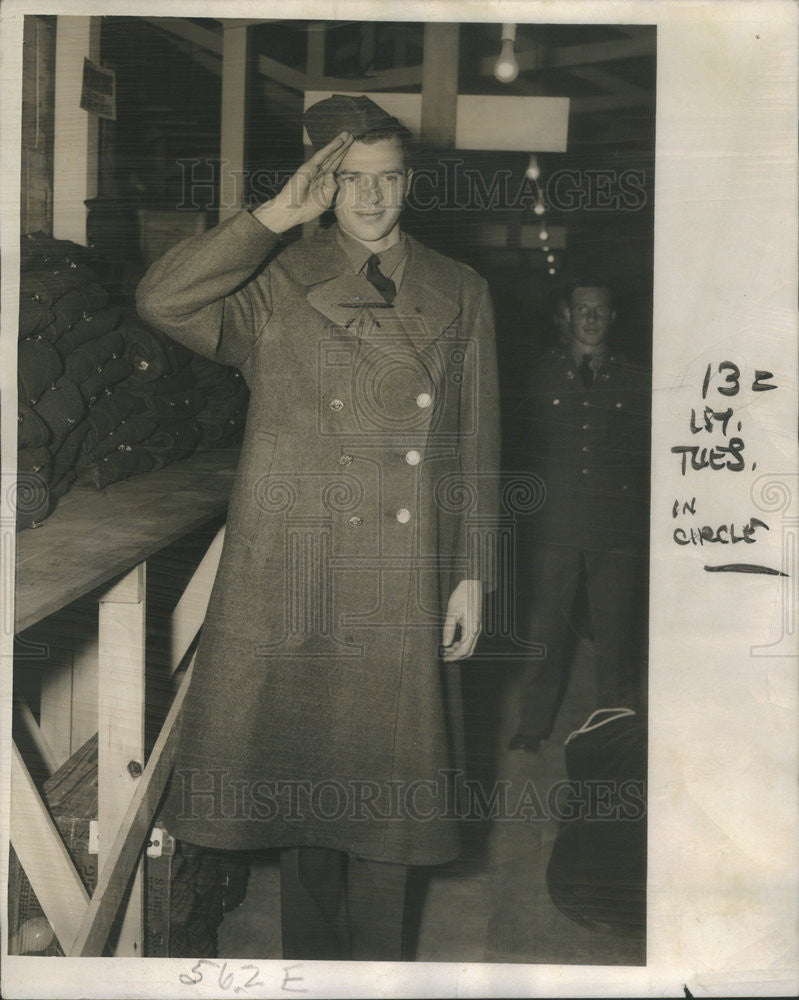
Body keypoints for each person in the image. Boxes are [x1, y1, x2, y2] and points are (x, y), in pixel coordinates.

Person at [136, 94, 500, 960]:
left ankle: (378, 970)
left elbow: (479, 441)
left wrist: (472, 574)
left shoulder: (463, 289)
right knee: (305, 782)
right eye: (349, 180)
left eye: (387, 179)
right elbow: (161, 298)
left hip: (405, 570)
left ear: (409, 182)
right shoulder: (272, 283)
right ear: (322, 186)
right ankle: (311, 968)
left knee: (387, 796)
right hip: (298, 570)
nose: (371, 199)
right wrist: (268, 219)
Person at [507, 278, 649, 752]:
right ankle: (532, 726)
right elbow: (520, 450)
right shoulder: (537, 375)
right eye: (582, 309)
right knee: (545, 631)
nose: (590, 318)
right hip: (555, 525)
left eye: (599, 310)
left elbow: (648, 454)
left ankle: (616, 729)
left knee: (615, 635)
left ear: (612, 318)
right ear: (566, 316)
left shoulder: (636, 377)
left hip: (615, 526)